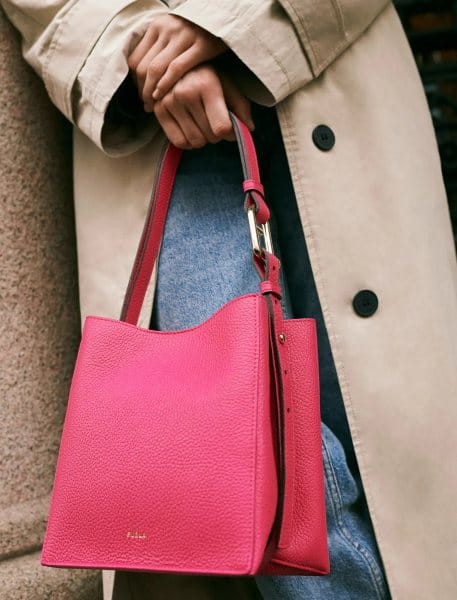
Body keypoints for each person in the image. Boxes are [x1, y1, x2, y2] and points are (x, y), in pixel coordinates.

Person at [1, 1, 456, 599]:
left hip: (332, 76)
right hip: (158, 122)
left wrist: (225, 21)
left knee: (385, 451)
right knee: (241, 458)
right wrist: (146, 53)